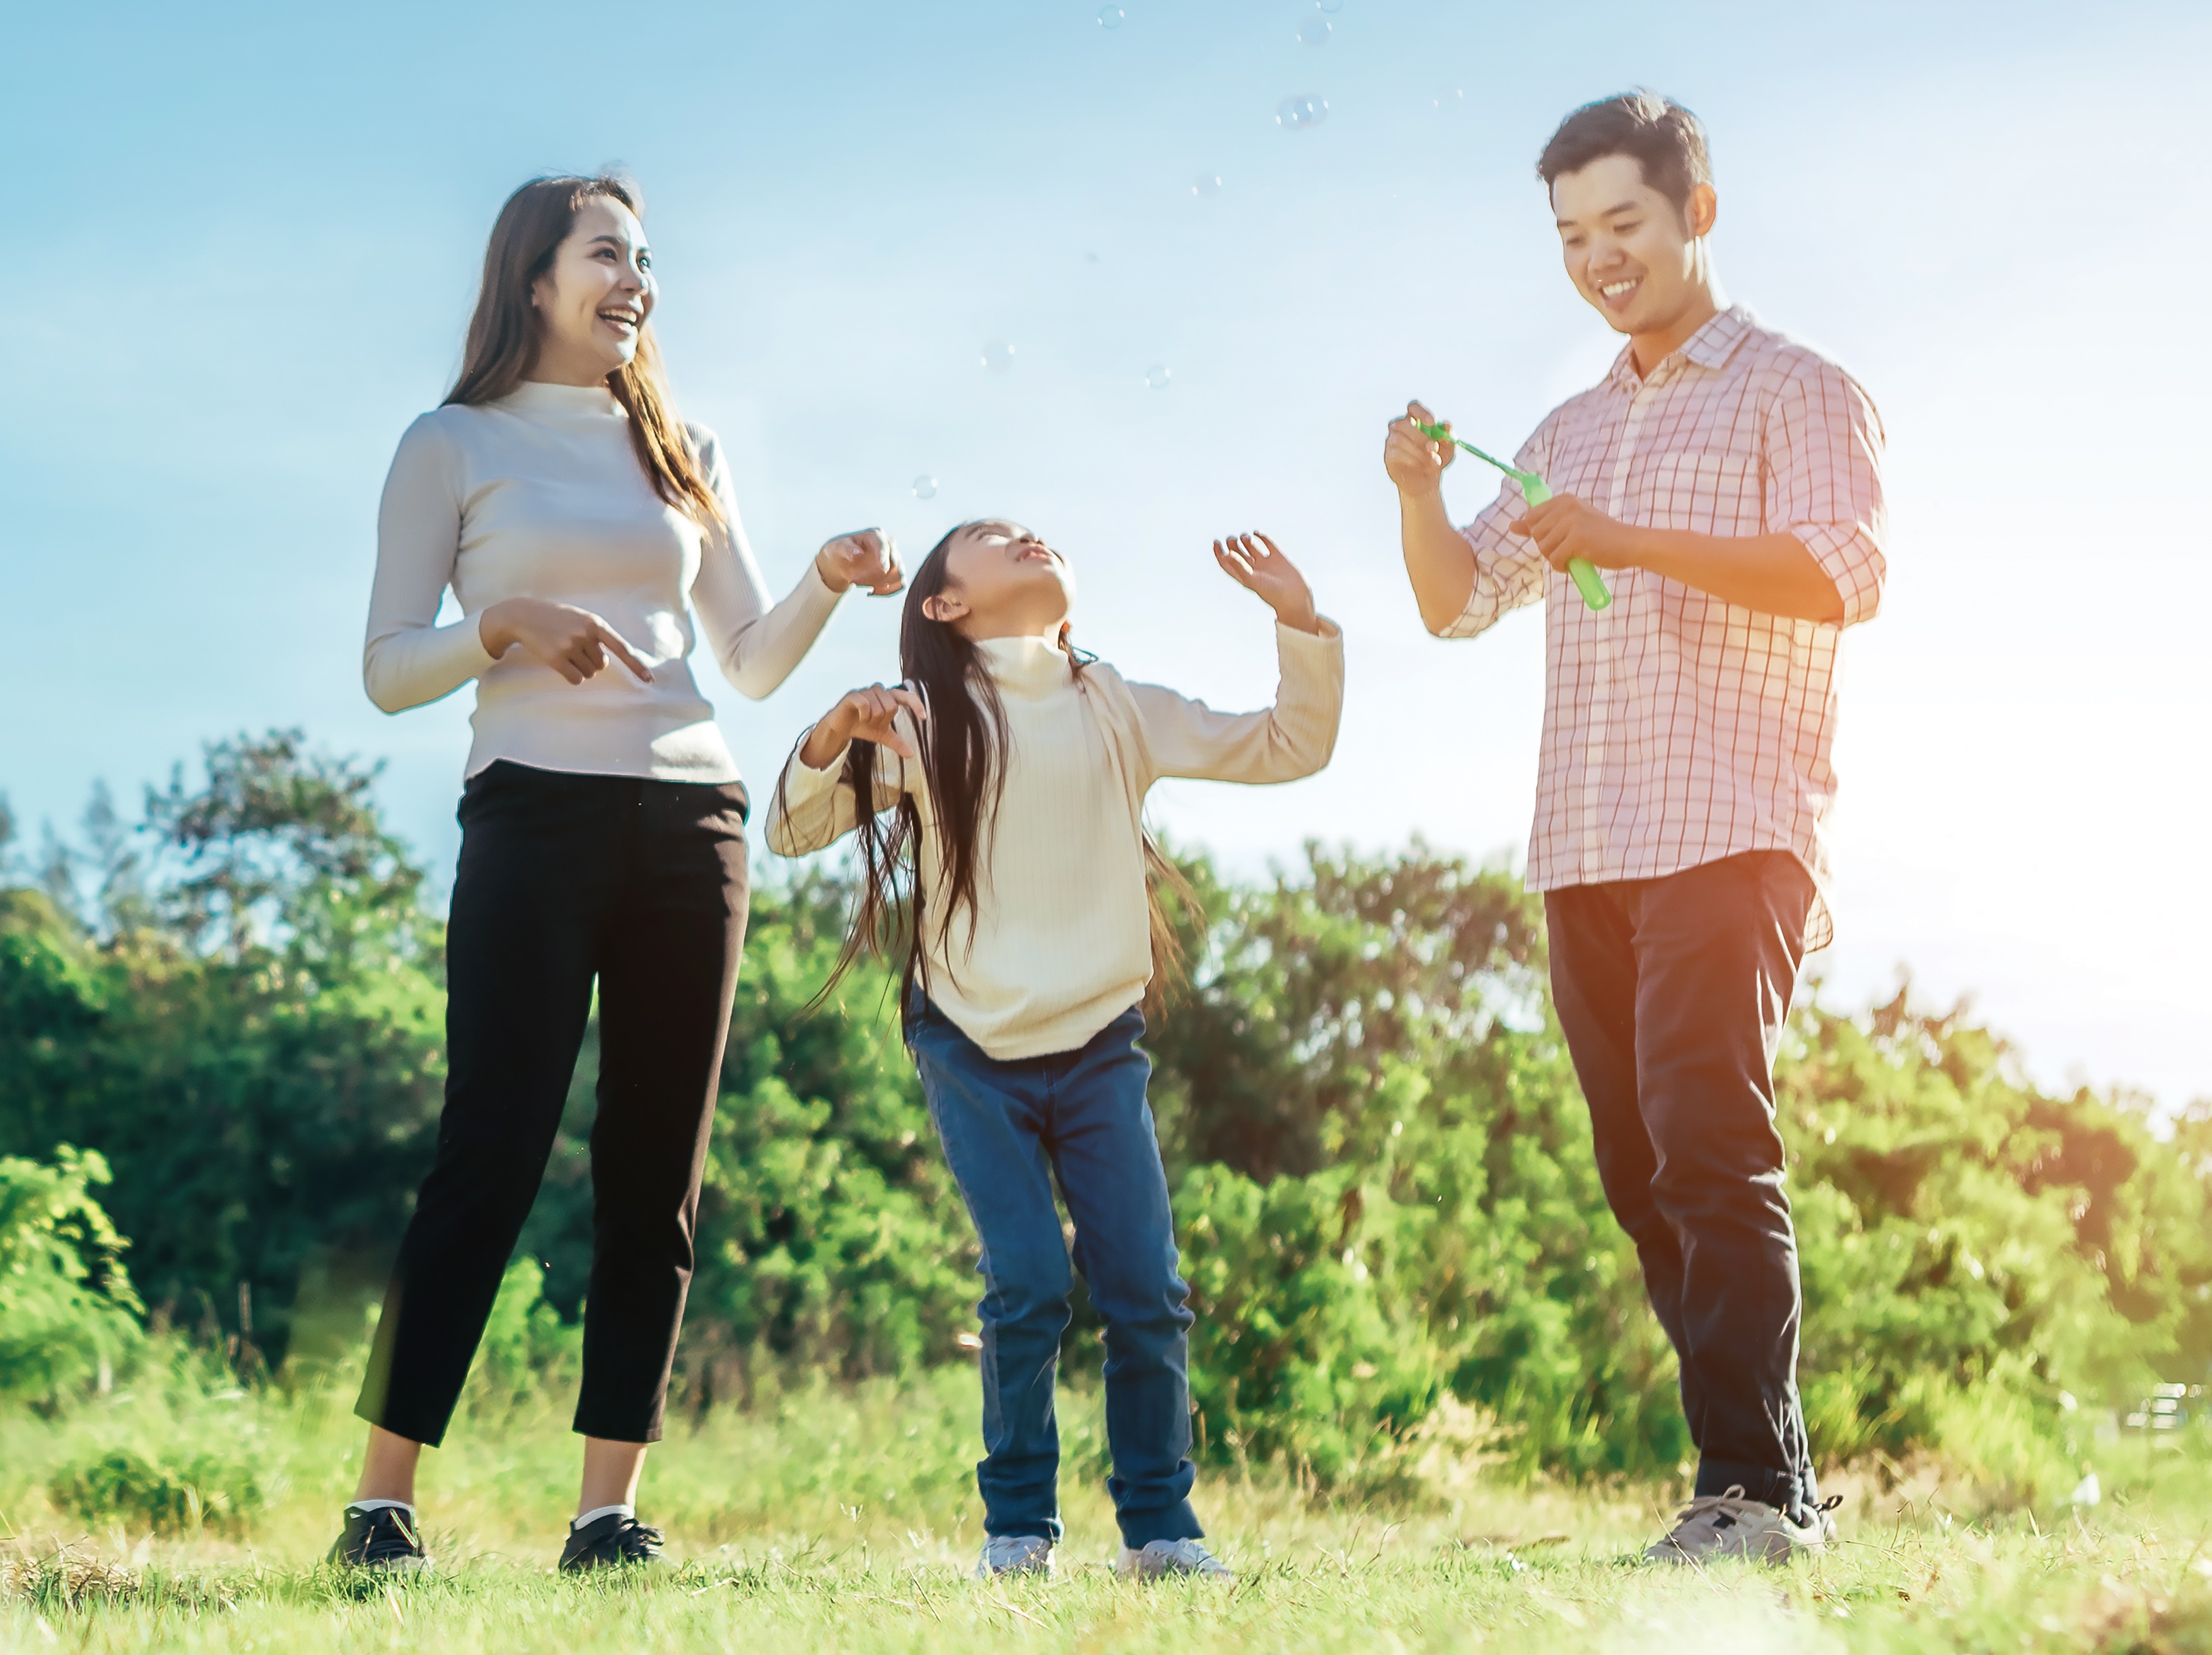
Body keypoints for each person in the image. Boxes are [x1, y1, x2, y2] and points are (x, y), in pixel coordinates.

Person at [332, 173, 903, 1574]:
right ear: (534, 277)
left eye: (647, 259)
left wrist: (825, 577)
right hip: (530, 812)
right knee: (492, 1149)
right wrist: (501, 627)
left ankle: (607, 1514)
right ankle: (382, 1504)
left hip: (690, 821)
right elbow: (387, 668)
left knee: (659, 1176)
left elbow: (749, 660)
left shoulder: (683, 447)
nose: (636, 279)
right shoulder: (451, 443)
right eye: (607, 254)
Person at [1382, 92, 1887, 1565]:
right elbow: (1454, 602)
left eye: (1622, 223)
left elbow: (1845, 571)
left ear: (1694, 213)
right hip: (1584, 845)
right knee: (1638, 1167)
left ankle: (1744, 1486)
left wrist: (1627, 539)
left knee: (1707, 1137)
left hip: (1732, 823)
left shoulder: (1797, 389)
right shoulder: (1566, 429)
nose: (1596, 257)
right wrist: (1417, 493)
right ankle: (1771, 1475)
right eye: (1569, 236)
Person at [765, 520, 1342, 1582]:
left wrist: (1300, 624)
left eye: (1027, 529)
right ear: (945, 604)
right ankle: (1018, 1532)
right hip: (969, 1042)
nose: (1026, 534)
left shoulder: (1113, 704)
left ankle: (1161, 1531)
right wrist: (836, 729)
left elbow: (1288, 746)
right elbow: (791, 832)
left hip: (1097, 1044)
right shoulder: (921, 718)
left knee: (1146, 1288)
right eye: (991, 537)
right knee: (1027, 1280)